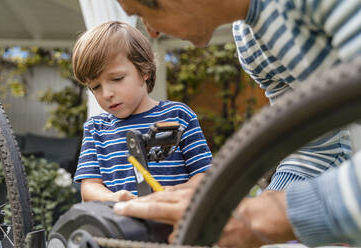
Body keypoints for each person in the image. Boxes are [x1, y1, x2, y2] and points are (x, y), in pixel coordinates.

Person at [113, 0, 361, 247]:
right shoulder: (250, 41)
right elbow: (318, 146)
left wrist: (265, 218)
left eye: (143, 13)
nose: (152, 31)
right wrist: (254, 210)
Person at [72, 21, 212, 202]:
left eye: (116, 78)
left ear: (144, 70)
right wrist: (114, 198)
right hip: (121, 226)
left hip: (175, 224)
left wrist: (175, 192)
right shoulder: (96, 128)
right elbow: (89, 187)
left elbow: (205, 176)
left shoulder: (178, 116)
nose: (106, 94)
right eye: (95, 87)